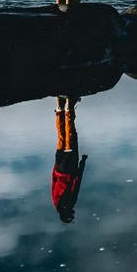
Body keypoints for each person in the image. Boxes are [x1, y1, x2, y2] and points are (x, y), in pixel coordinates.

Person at [52, 95, 88, 224]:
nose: (73, 212)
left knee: (70, 136)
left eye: (71, 215)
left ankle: (69, 108)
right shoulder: (55, 202)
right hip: (58, 166)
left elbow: (76, 184)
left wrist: (82, 163)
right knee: (61, 137)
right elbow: (53, 182)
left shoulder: (70, 202)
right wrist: (56, 167)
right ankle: (59, 108)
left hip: (69, 168)